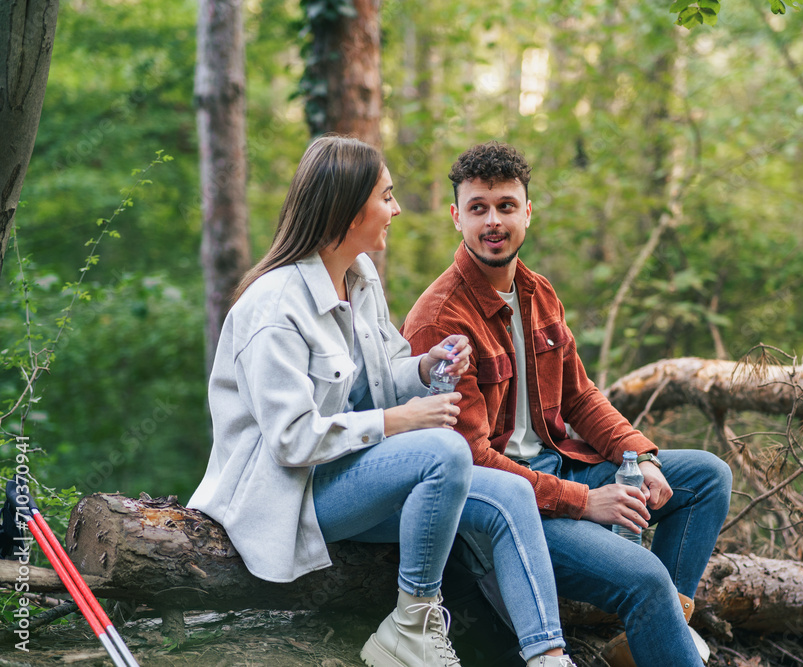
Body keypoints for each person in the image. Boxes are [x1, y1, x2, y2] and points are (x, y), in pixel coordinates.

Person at [188, 135, 578, 667]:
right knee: (443, 450)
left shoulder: (360, 277)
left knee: (507, 492)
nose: (395, 208)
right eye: (386, 196)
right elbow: (291, 441)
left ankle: (548, 656)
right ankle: (411, 623)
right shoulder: (275, 308)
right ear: (349, 211)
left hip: (356, 476)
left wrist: (424, 367)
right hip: (290, 497)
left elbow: (381, 375)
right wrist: (399, 421)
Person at [403, 141, 733, 667]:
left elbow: (580, 396)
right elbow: (471, 462)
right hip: (510, 512)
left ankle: (649, 636)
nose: (493, 221)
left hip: (565, 471)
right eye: (478, 208)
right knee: (645, 578)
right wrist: (588, 504)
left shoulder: (539, 293)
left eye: (506, 206)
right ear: (456, 217)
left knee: (707, 478)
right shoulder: (439, 318)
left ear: (527, 213)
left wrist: (637, 455)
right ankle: (655, 615)